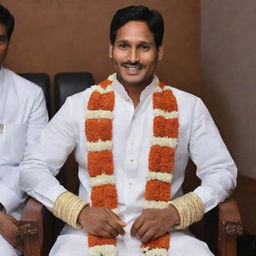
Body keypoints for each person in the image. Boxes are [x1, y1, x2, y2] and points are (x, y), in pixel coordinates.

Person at [20, 5, 237, 256]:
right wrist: (80, 211)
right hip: (87, 235)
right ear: (111, 49)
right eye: (124, 45)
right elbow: (33, 168)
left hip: (168, 233)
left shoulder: (189, 107)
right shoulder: (79, 105)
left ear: (160, 51)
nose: (132, 57)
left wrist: (176, 212)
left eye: (143, 47)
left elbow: (222, 172)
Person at [0, 4, 48, 255]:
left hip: (11, 206)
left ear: (9, 42)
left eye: (0, 39)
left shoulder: (30, 95)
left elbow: (36, 165)